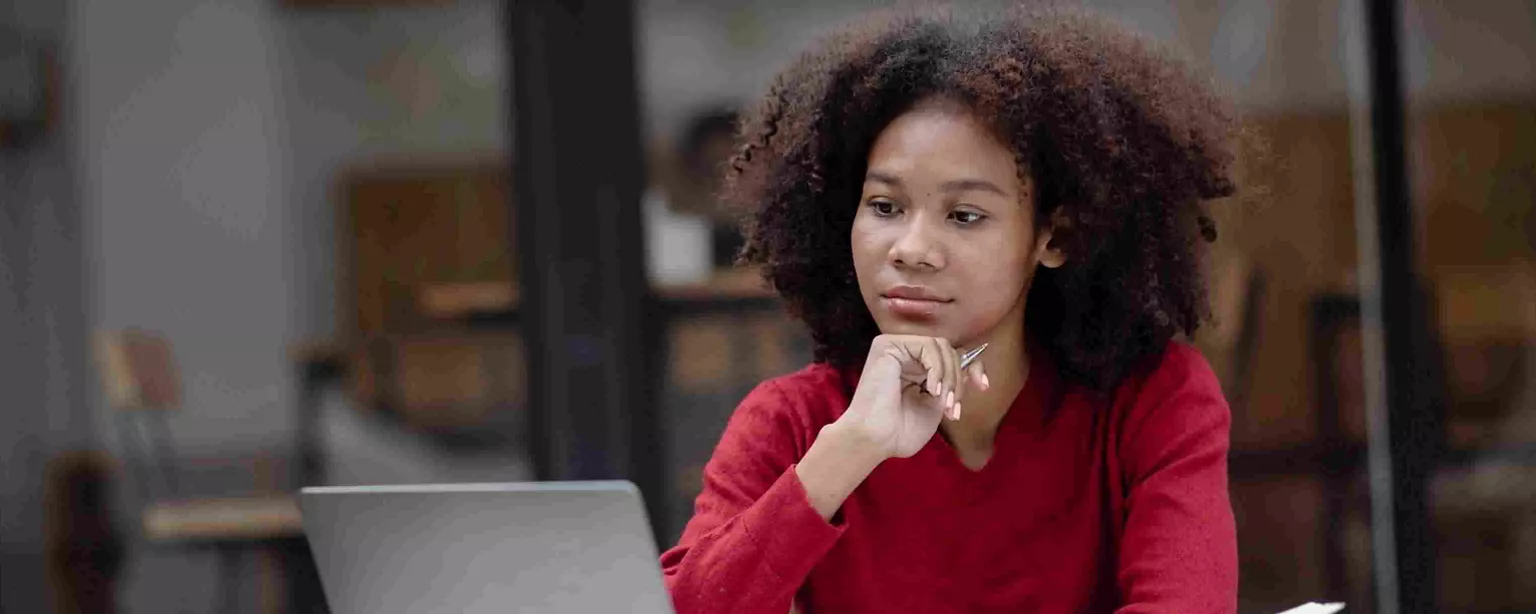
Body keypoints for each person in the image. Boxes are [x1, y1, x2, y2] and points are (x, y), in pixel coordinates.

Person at [660, 5, 1243, 613]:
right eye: (884, 206)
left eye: (964, 216)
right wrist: (851, 447)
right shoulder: (795, 424)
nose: (911, 249)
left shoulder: (1154, 402)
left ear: (1055, 237)